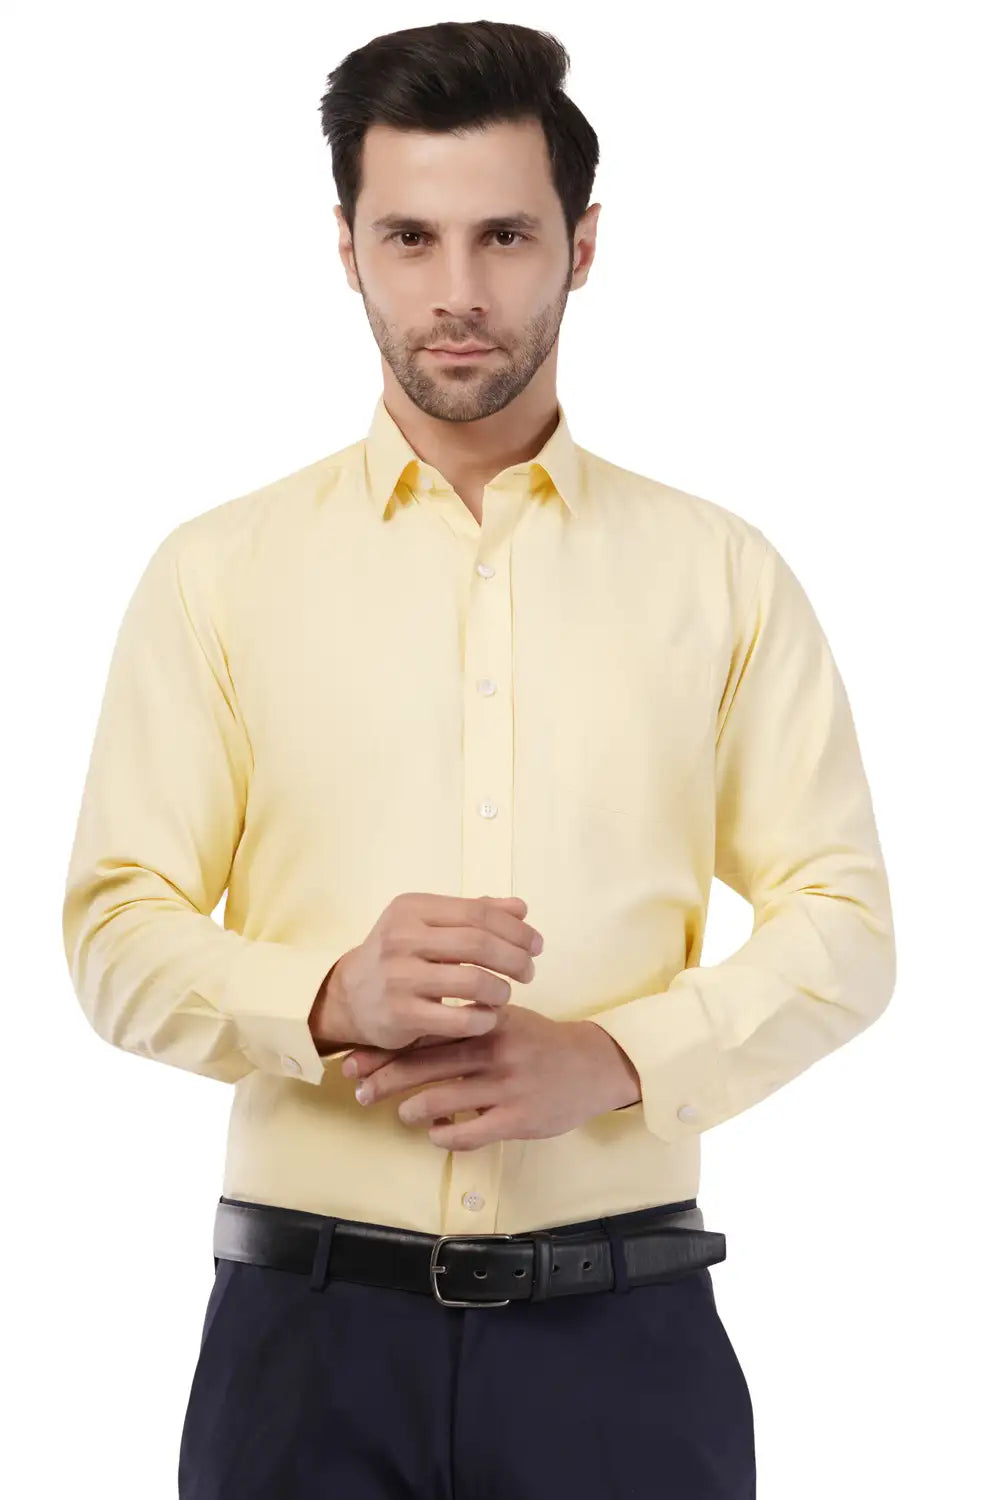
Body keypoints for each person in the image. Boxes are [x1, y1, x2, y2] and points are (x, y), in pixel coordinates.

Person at [60, 18, 896, 1500]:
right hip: (302, 1352)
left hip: (625, 1345)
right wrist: (326, 997)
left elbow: (845, 928)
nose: (457, 290)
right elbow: (115, 933)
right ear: (347, 249)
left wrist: (615, 1061)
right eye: (411, 237)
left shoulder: (721, 576)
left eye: (504, 235)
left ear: (583, 246)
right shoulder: (217, 576)